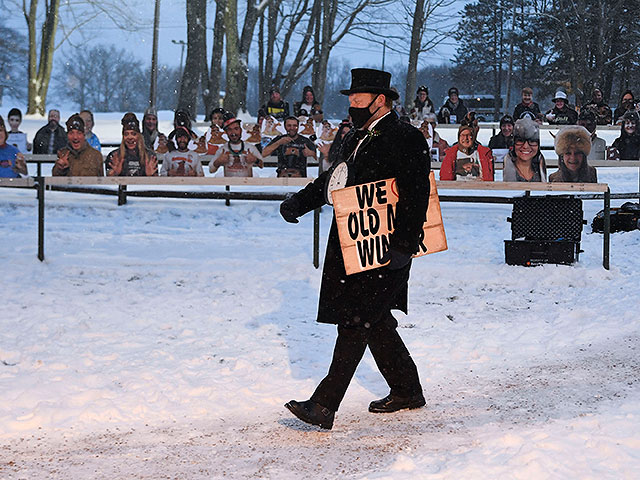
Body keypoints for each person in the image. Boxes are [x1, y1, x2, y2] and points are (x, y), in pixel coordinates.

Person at [280, 68, 430, 430]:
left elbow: (416, 195)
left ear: (381, 100)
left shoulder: (407, 138)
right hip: (353, 243)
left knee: (355, 321)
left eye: (359, 99)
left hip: (387, 247)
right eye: (351, 99)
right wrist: (298, 203)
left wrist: (404, 246)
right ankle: (407, 389)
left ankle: (324, 405)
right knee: (374, 321)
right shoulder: (354, 137)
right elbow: (333, 181)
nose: (352, 105)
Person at [502, 118, 547, 182]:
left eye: (532, 141)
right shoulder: (507, 163)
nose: (525, 146)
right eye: (520, 141)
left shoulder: (541, 164)